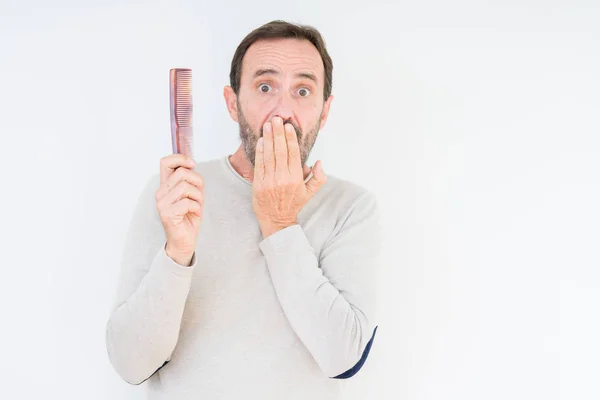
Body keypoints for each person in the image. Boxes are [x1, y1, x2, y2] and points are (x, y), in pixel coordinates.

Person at [105, 19, 382, 399]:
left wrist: (280, 223)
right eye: (265, 87)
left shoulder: (351, 208)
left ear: (325, 110)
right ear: (233, 103)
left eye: (303, 90)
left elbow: (344, 359)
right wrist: (177, 253)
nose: (282, 111)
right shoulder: (176, 193)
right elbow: (131, 364)